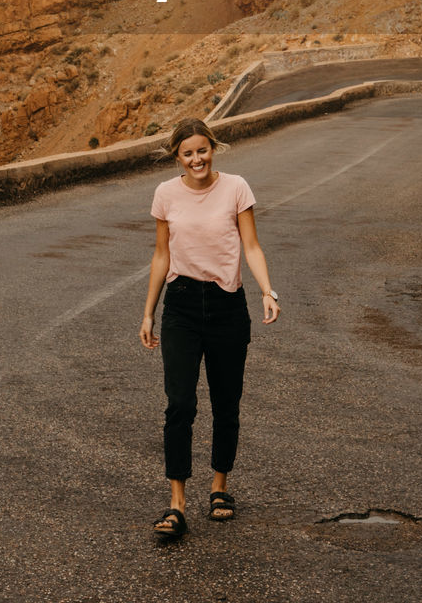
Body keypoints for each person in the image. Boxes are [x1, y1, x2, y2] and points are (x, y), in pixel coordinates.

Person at [139, 117, 280, 541]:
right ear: (177, 157)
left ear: (212, 148)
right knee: (179, 403)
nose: (196, 159)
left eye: (202, 150)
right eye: (188, 153)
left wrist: (268, 291)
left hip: (226, 307)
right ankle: (176, 502)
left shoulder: (236, 188)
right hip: (181, 305)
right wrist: (148, 312)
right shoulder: (166, 194)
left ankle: (220, 489)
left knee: (226, 402)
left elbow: (251, 245)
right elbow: (161, 256)